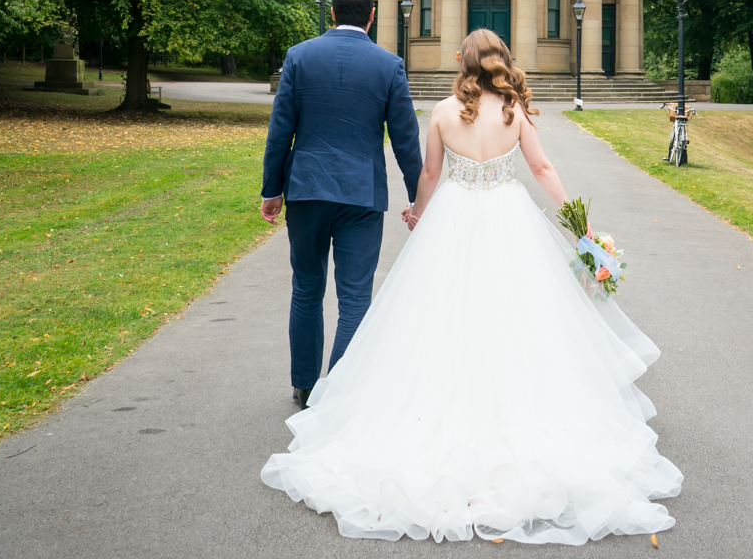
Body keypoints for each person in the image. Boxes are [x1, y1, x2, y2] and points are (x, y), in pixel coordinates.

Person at [261, 28, 682, 544]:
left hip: (454, 218)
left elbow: (432, 175)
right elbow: (542, 167)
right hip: (510, 217)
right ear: (501, 62)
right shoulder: (513, 112)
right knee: (521, 317)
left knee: (439, 316)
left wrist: (418, 212)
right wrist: (579, 226)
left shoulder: (441, 113)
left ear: (463, 61)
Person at [260, 0, 423, 409]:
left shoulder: (299, 57)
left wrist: (272, 190)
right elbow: (406, 141)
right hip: (361, 195)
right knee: (355, 297)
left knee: (307, 287)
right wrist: (418, 199)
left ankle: (306, 385)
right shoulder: (389, 66)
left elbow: (281, 132)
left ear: (332, 14)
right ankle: (340, 391)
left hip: (307, 189)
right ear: (372, 16)